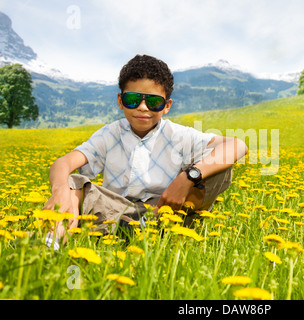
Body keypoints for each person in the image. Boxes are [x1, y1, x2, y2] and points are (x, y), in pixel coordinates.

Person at [42, 54, 248, 247]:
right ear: (120, 101)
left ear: (166, 106)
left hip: (167, 213)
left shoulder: (178, 135)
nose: (142, 107)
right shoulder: (109, 134)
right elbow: (63, 163)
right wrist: (59, 190)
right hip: (115, 210)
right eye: (133, 99)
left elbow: (238, 145)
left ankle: (158, 231)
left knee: (220, 168)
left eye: (153, 102)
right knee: (72, 185)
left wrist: (186, 179)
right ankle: (49, 245)